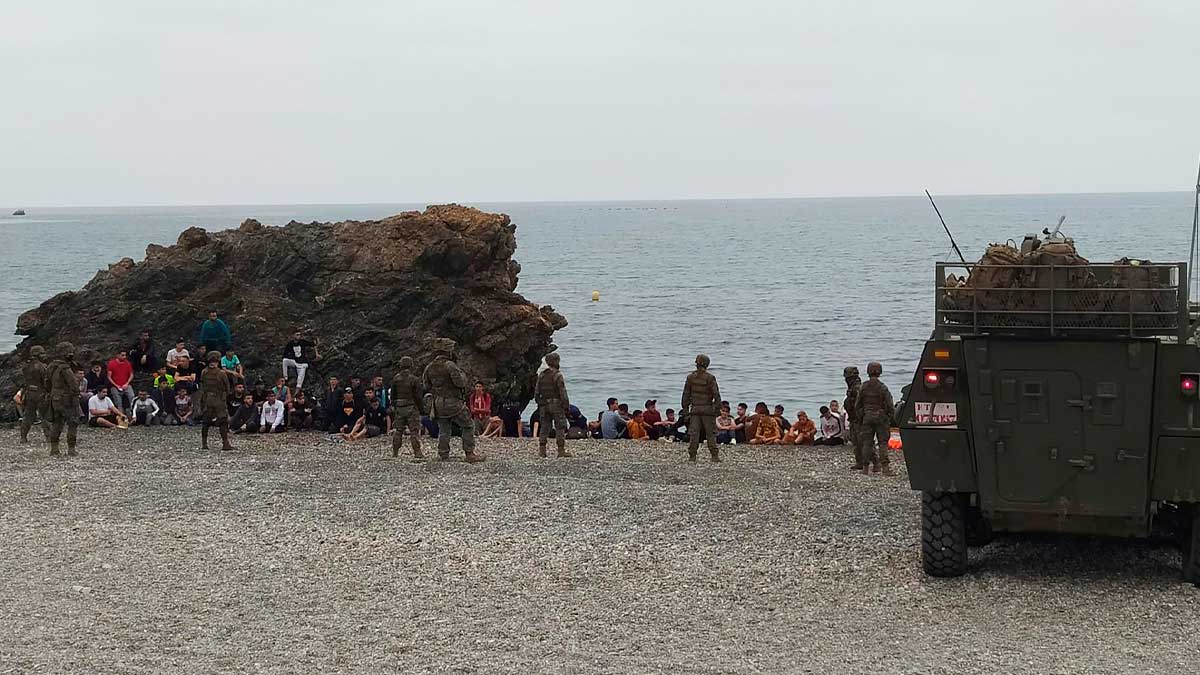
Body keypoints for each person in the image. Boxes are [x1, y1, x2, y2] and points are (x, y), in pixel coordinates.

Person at [422, 338, 484, 462]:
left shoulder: (429, 367)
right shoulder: (450, 366)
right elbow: (460, 383)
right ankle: (469, 453)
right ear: (448, 351)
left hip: (438, 403)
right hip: (453, 402)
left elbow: (426, 386)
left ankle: (443, 454)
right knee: (468, 425)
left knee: (444, 428)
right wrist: (464, 376)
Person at [855, 361, 896, 476]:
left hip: (867, 417)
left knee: (867, 443)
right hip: (881, 417)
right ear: (880, 372)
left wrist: (862, 416)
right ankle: (885, 469)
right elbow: (889, 404)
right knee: (882, 443)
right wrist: (890, 417)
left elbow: (858, 405)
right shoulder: (882, 387)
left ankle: (865, 468)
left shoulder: (864, 386)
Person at [682, 354, 722, 462]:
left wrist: (685, 410)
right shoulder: (710, 377)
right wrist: (718, 409)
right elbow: (716, 394)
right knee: (710, 433)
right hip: (707, 410)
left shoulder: (690, 377)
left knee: (694, 434)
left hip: (695, 410)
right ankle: (714, 455)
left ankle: (692, 455)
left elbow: (685, 395)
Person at [534, 352, 573, 458]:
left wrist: (540, 403)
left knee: (544, 427)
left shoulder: (542, 375)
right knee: (560, 427)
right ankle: (561, 451)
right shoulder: (558, 375)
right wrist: (566, 406)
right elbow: (563, 393)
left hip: (544, 405)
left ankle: (542, 451)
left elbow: (537, 393)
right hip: (556, 405)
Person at [46, 343, 82, 456]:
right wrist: (76, 395)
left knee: (57, 423)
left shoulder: (51, 366)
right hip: (66, 399)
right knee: (73, 422)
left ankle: (54, 449)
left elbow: (47, 383)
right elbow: (74, 385)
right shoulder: (65, 368)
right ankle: (71, 449)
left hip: (54, 398)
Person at [389, 356, 425, 458]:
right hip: (411, 407)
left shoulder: (396, 379)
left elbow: (392, 395)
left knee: (398, 430)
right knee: (414, 431)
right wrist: (422, 409)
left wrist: (394, 406)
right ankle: (417, 452)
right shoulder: (414, 379)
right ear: (411, 365)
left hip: (399, 407)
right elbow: (418, 397)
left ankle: (395, 452)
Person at [199, 351, 235, 450]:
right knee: (223, 421)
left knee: (206, 421)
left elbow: (202, 385)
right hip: (218, 399)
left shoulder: (204, 372)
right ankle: (225, 443)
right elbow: (227, 387)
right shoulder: (221, 373)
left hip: (208, 399)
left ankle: (204, 444)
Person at [19, 345, 50, 444]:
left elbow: (22, 380)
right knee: (45, 416)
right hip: (40, 393)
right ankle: (49, 437)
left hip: (28, 393)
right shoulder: (42, 367)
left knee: (27, 416)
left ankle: (23, 437)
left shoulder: (26, 366)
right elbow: (45, 381)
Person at [844, 366, 864, 471]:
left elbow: (861, 404)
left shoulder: (857, 388)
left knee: (862, 441)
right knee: (856, 441)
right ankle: (859, 462)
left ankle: (874, 462)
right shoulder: (852, 388)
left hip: (858, 419)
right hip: (853, 418)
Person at [106, 350, 135, 415]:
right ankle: (121, 416)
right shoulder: (111, 363)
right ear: (118, 355)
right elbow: (109, 377)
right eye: (122, 355)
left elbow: (131, 374)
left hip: (126, 384)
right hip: (115, 385)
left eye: (125, 355)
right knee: (118, 401)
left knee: (132, 396)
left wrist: (127, 383)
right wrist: (116, 385)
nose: (124, 357)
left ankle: (132, 414)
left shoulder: (127, 363)